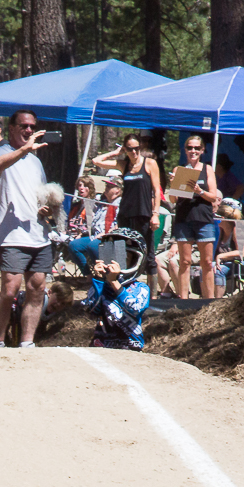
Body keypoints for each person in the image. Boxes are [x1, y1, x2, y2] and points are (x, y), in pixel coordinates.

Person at [0, 109, 53, 347]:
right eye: (24, 126)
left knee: (37, 288)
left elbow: (41, 196)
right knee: (10, 289)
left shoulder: (36, 162)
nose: (29, 131)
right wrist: (25, 149)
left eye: (32, 127)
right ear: (11, 128)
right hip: (11, 235)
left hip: (38, 234)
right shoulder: (0, 152)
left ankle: (27, 343)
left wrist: (46, 208)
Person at [93, 134, 162, 295]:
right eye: (130, 149)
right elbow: (96, 161)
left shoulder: (149, 163)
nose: (134, 152)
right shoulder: (123, 165)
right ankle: (123, 289)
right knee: (123, 253)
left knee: (149, 255)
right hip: (125, 214)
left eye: (137, 148)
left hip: (144, 214)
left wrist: (155, 214)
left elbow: (157, 190)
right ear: (126, 149)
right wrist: (115, 153)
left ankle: (153, 295)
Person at [168, 135, 220, 299]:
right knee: (184, 262)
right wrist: (172, 185)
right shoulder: (179, 170)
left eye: (197, 148)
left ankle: (209, 300)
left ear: (202, 150)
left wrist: (199, 191)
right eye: (190, 148)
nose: (193, 151)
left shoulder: (207, 169)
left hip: (203, 219)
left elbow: (213, 197)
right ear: (185, 150)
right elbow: (173, 200)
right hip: (184, 219)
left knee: (206, 262)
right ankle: (184, 299)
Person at [81, 247, 150, 351]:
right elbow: (90, 309)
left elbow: (135, 308)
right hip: (102, 345)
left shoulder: (140, 287)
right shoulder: (101, 285)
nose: (116, 265)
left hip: (130, 345)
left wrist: (114, 282)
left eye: (124, 260)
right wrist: (99, 279)